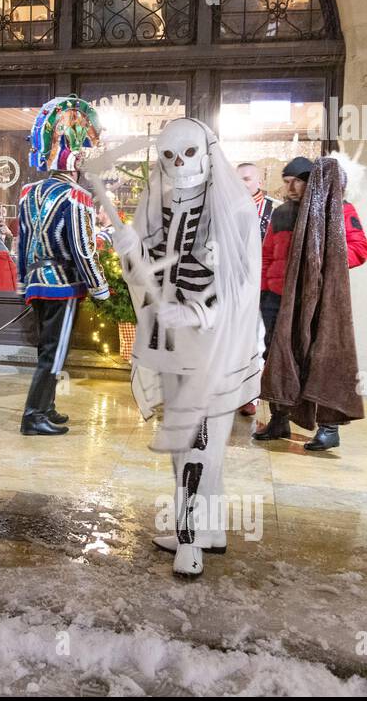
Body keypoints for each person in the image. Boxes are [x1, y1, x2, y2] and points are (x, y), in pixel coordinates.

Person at [113, 118, 263, 577]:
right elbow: (148, 271)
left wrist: (198, 313)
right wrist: (131, 251)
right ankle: (210, 528)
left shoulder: (233, 212)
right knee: (195, 445)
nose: (179, 166)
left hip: (214, 347)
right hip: (173, 345)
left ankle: (189, 542)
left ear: (207, 151)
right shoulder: (162, 208)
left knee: (196, 443)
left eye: (188, 155)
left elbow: (240, 286)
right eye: (170, 157)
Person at [257, 155, 367, 451]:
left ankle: (329, 428)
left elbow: (360, 249)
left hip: (317, 301)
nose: (290, 187)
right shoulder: (281, 214)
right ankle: (278, 419)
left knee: (321, 359)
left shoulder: (340, 211)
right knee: (276, 357)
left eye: (297, 180)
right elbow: (267, 254)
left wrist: (325, 265)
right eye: (286, 181)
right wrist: (264, 289)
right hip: (277, 300)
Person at [17, 96, 111, 436]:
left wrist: (21, 283)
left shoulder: (28, 192)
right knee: (54, 355)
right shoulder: (76, 197)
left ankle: (48, 407)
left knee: (48, 350)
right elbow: (83, 249)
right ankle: (34, 415)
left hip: (36, 281)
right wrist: (100, 288)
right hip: (63, 285)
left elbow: (22, 242)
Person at [234, 163, 281, 416]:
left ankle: (251, 396)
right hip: (232, 286)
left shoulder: (275, 210)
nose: (242, 184)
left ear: (259, 180)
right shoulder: (227, 208)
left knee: (256, 342)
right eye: (238, 179)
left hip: (261, 286)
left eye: (247, 179)